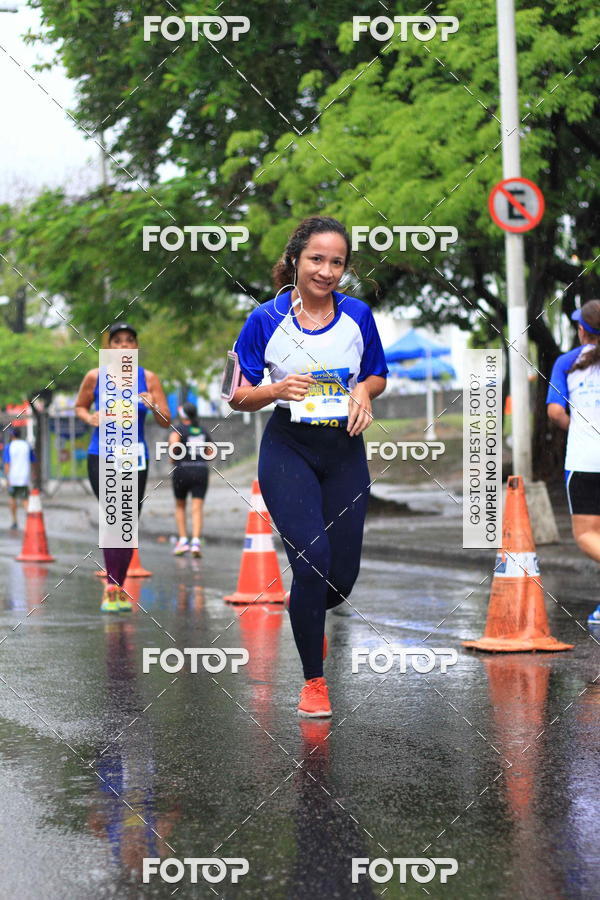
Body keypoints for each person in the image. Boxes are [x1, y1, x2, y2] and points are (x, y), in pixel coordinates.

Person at [229, 216, 387, 717]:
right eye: (316, 259)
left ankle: (308, 616)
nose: (326, 271)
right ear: (295, 259)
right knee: (311, 559)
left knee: (339, 581)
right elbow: (237, 394)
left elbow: (378, 373)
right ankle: (313, 682)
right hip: (288, 450)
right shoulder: (263, 320)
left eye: (336, 262)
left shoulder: (358, 315)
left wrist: (363, 389)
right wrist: (275, 389)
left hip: (344, 451)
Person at [75, 322, 170, 612]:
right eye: (117, 341)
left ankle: (118, 586)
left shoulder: (148, 378)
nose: (124, 345)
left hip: (133, 456)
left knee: (126, 523)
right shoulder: (95, 376)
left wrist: (153, 405)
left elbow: (166, 421)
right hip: (100, 454)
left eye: (130, 340)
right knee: (112, 516)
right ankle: (111, 588)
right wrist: (89, 417)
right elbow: (79, 406)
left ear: (136, 347)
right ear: (109, 348)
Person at [547, 300, 600, 626]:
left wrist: (578, 426)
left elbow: (554, 412)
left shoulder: (567, 362)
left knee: (586, 536)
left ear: (581, 330)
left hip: (585, 459)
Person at [169, 401, 210, 557]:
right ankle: (196, 543)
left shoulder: (178, 430)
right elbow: (209, 451)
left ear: (183, 415)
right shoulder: (202, 430)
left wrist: (173, 458)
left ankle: (183, 541)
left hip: (182, 469)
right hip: (201, 469)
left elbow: (173, 445)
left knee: (180, 506)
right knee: (197, 507)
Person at [3, 427, 36, 530]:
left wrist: (7, 477)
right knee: (25, 499)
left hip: (13, 477)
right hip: (24, 477)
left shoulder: (9, 446)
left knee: (12, 498)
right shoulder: (27, 445)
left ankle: (14, 521)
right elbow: (33, 461)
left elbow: (7, 464)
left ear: (12, 436)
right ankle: (30, 521)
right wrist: (33, 474)